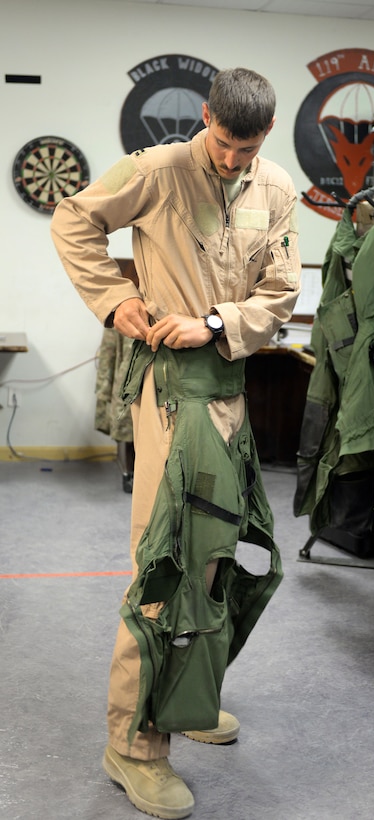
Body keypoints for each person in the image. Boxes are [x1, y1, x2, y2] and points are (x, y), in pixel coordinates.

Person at [51, 67, 301, 819]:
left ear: (266, 134)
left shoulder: (275, 187)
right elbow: (73, 218)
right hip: (166, 394)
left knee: (217, 556)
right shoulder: (157, 170)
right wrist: (116, 299)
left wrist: (218, 322)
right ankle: (133, 746)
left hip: (227, 393)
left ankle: (188, 698)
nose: (230, 160)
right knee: (164, 564)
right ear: (205, 115)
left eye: (246, 149)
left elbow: (281, 291)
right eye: (222, 143)